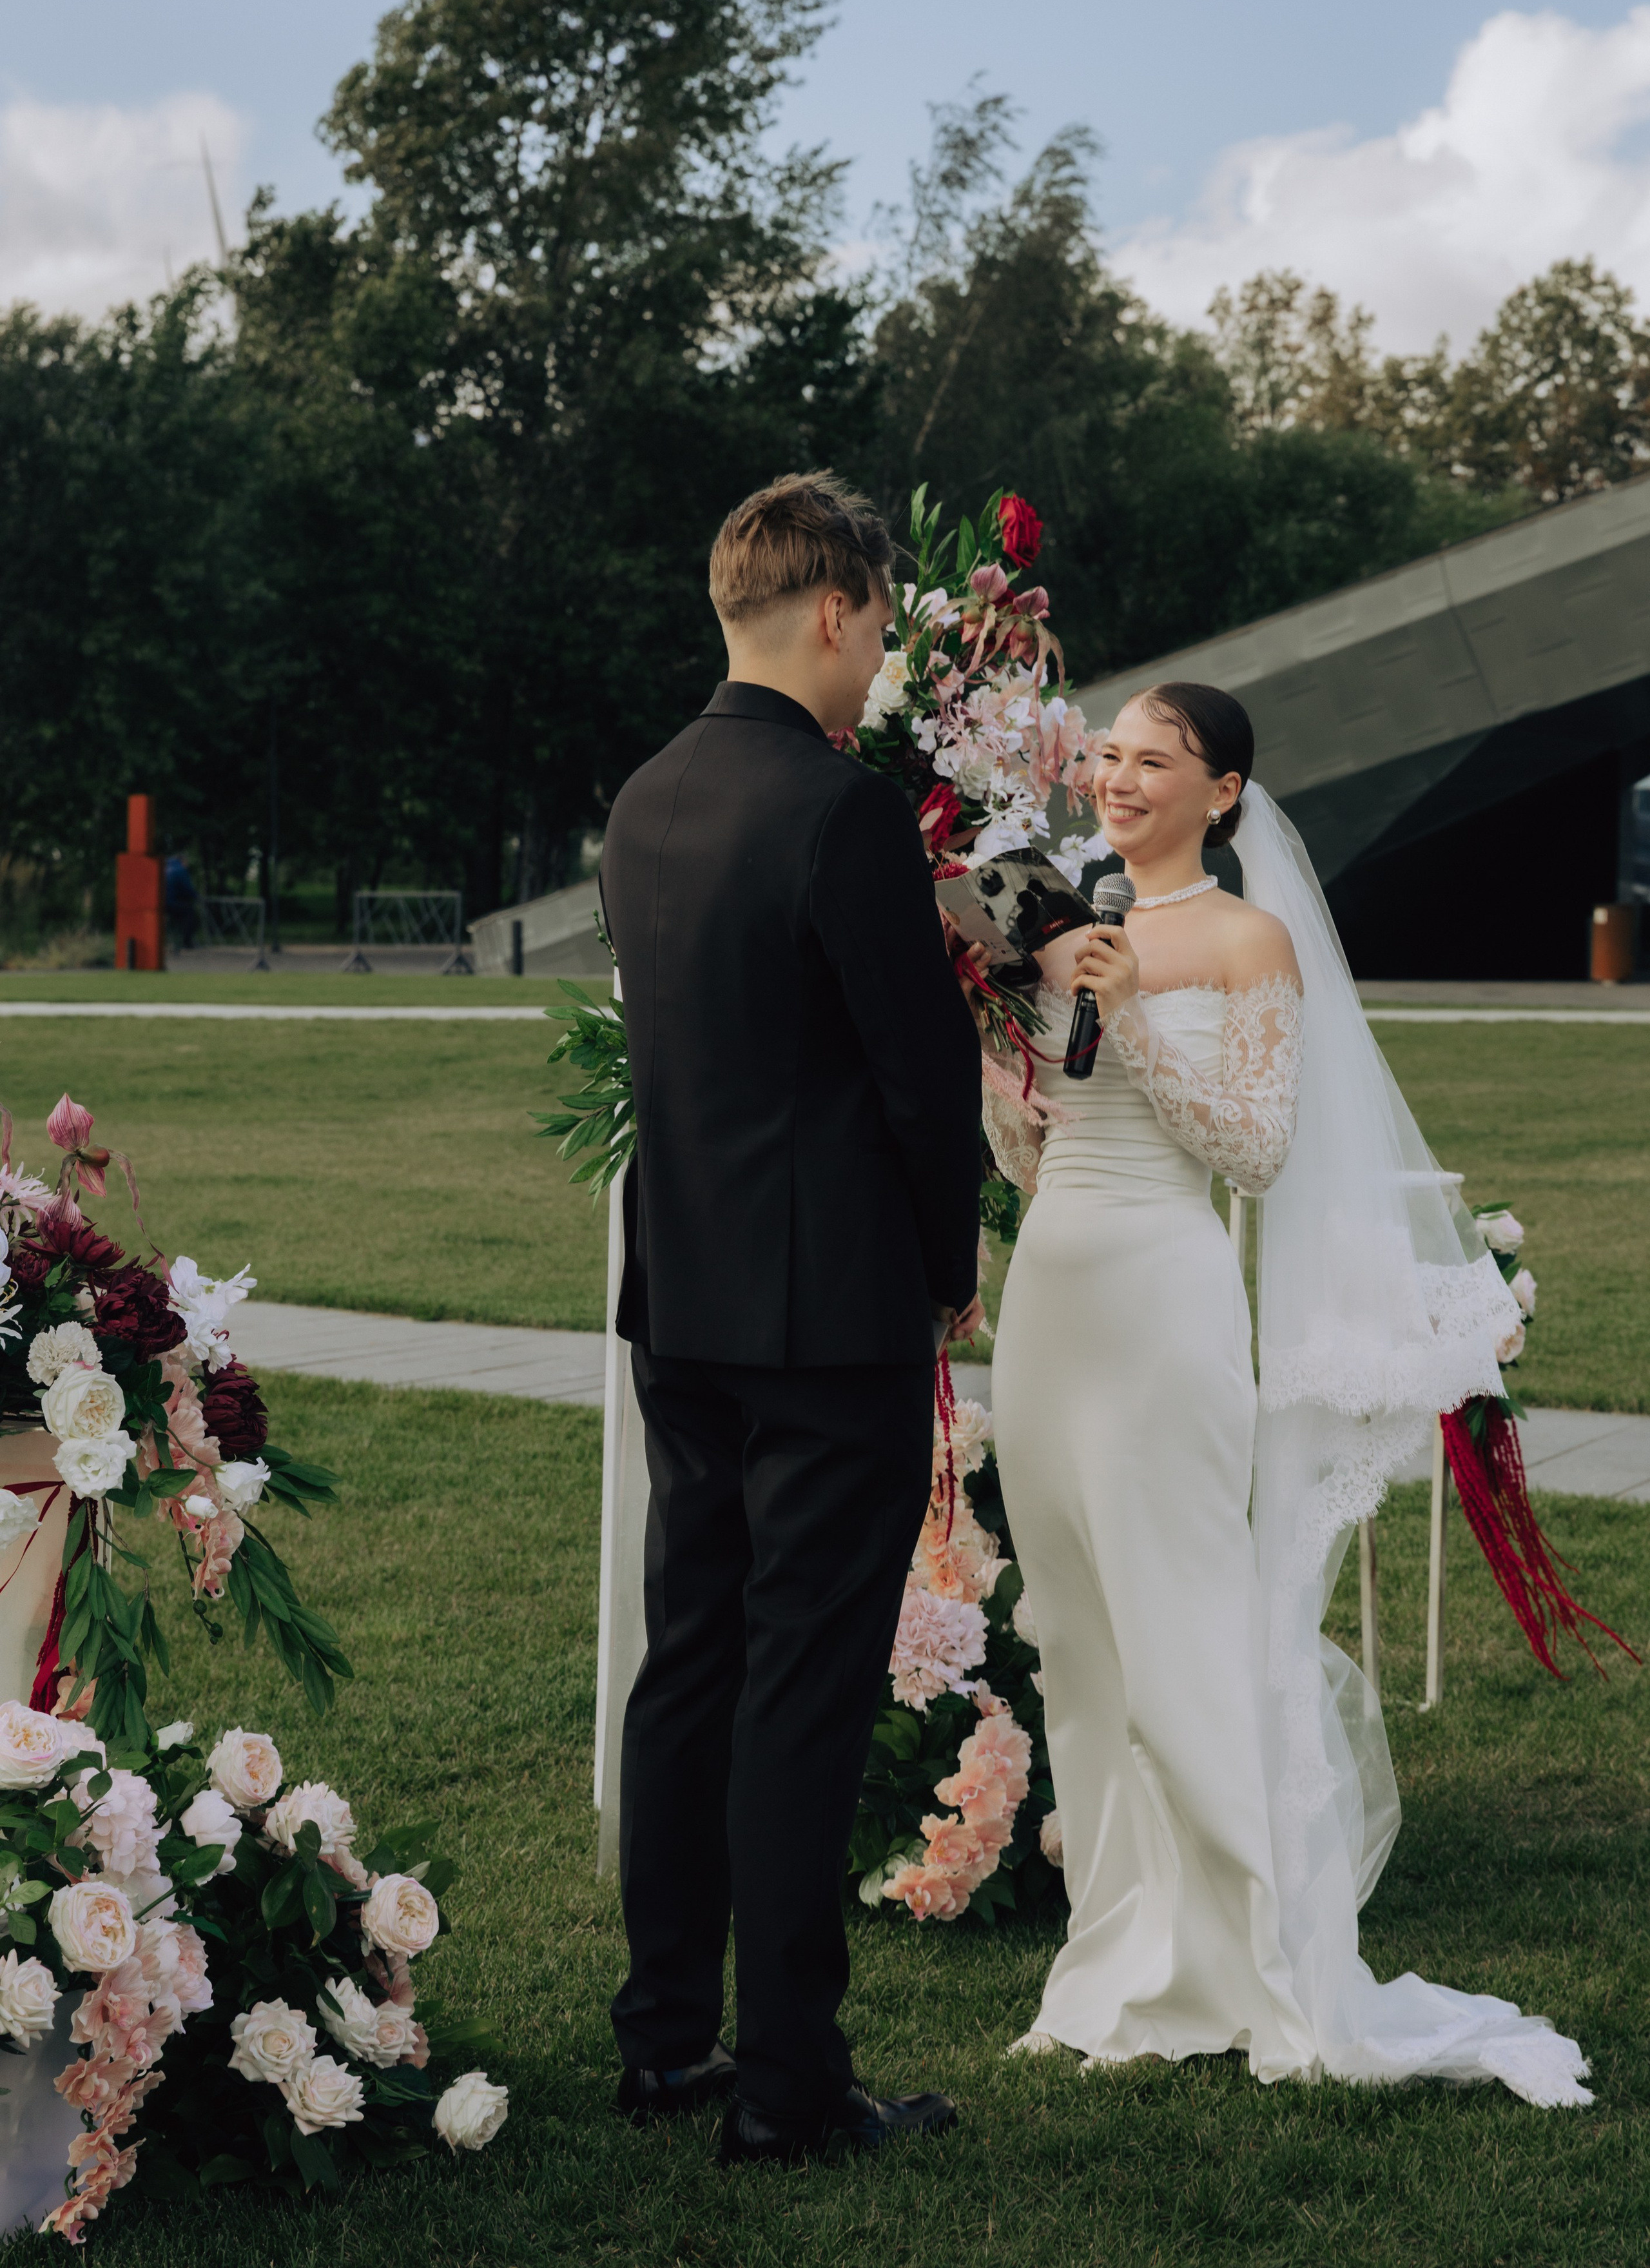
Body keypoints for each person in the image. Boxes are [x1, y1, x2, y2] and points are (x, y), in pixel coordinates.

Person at [984, 679, 1593, 2107]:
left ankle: (1253, 1951)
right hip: (1048, 1299)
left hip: (1162, 1302)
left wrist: (1126, 1015)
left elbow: (1251, 1152)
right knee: (1072, 1628)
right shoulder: (1065, 929)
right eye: (1110, 757)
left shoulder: (1245, 939)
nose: (1119, 779)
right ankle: (1110, 1956)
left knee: (1175, 1623)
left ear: (1224, 795)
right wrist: (1013, 1084)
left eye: (1156, 760)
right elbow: (1028, 1153)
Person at [599, 472, 984, 2165]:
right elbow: (921, 1078)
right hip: (828, 1316)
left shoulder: (646, 798)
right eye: (882, 628)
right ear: (832, 611)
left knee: (692, 1659)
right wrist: (950, 1268)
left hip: (680, 1298)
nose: (880, 660)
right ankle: (789, 2086)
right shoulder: (839, 814)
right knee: (803, 1693)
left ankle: (668, 2039)